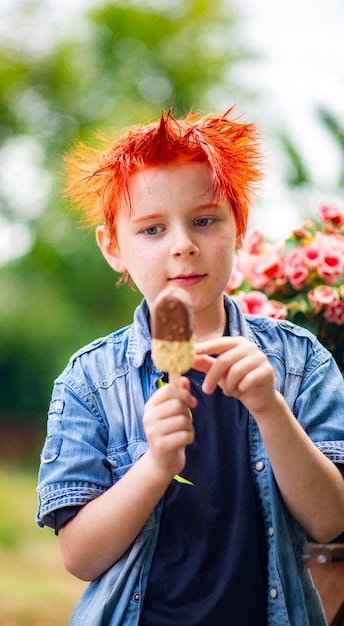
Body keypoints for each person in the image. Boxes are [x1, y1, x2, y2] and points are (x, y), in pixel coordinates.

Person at [36, 109, 344, 626]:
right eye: (152, 229)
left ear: (239, 227)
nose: (183, 243)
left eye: (204, 220)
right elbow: (80, 557)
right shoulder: (90, 380)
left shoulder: (299, 360)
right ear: (114, 247)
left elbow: (330, 521)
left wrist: (270, 410)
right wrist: (156, 464)